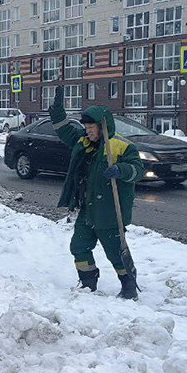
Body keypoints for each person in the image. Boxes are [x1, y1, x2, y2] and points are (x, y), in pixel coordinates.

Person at [48, 85, 143, 300]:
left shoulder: (120, 147)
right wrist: (57, 110)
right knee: (79, 246)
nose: (88, 130)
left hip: (110, 212)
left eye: (92, 127)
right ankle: (88, 283)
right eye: (86, 127)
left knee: (116, 253)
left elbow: (138, 171)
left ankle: (129, 285)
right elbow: (63, 129)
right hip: (88, 209)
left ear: (103, 127)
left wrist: (121, 170)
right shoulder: (82, 142)